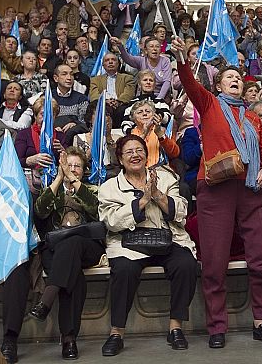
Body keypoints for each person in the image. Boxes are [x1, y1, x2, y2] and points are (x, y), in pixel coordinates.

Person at [170, 36, 262, 349]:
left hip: (252, 190)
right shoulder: (209, 104)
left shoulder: (253, 117)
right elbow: (190, 84)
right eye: (228, 78)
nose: (235, 81)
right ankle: (217, 327)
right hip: (216, 189)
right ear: (218, 85)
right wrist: (182, 61)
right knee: (214, 262)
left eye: (238, 78)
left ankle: (261, 321)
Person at [98, 135, 198, 356]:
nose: (135, 155)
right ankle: (117, 333)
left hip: (166, 238)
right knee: (124, 270)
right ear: (121, 160)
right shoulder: (109, 187)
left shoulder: (165, 177)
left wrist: (158, 195)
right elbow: (112, 222)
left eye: (139, 150)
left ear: (146, 154)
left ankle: (175, 328)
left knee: (186, 265)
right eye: (129, 152)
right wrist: (142, 200)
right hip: (128, 243)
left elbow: (181, 211)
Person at [29, 147, 103, 360]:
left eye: (77, 166)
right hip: (55, 248)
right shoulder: (54, 189)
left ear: (84, 169)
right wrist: (59, 179)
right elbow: (40, 211)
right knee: (73, 277)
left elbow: (96, 209)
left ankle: (46, 301)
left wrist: (74, 182)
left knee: (72, 242)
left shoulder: (92, 189)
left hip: (87, 246)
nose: (72, 170)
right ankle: (69, 340)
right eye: (68, 165)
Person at [113, 35, 172, 100]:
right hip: (143, 96)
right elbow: (127, 58)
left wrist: (159, 99)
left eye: (157, 46)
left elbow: (167, 81)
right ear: (146, 50)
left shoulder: (165, 60)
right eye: (151, 46)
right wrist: (120, 46)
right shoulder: (141, 60)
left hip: (161, 96)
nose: (154, 49)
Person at [89, 52, 136, 124]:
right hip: (103, 105)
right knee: (104, 109)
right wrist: (106, 101)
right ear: (103, 65)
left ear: (118, 64)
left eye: (113, 60)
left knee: (123, 110)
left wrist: (118, 102)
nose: (110, 62)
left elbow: (128, 93)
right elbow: (94, 95)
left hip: (121, 105)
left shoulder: (127, 78)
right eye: (107, 60)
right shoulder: (95, 80)